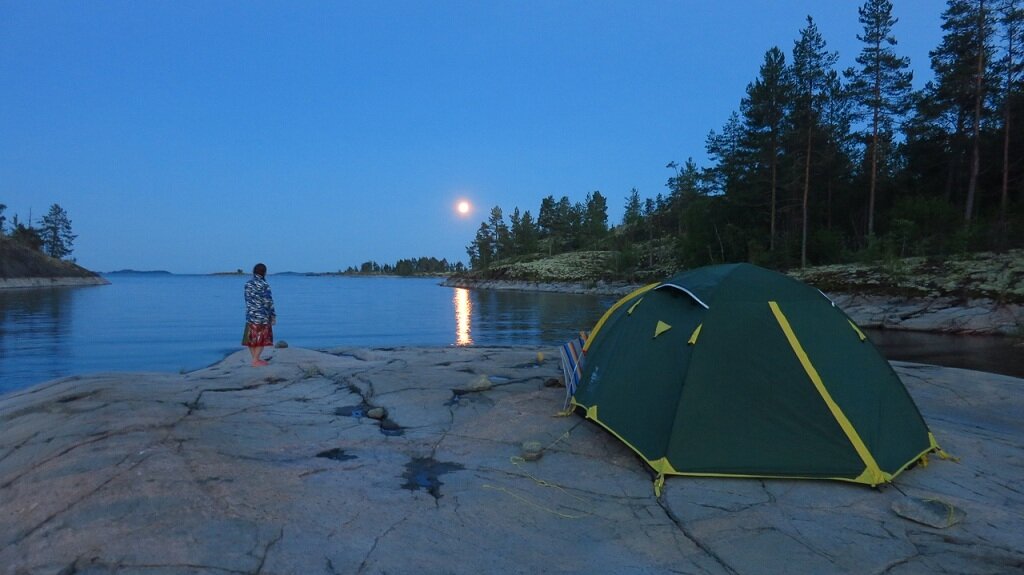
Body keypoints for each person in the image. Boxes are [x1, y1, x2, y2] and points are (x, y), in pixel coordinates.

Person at [242, 262, 276, 366]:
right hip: (262, 316)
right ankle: (255, 360)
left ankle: (255, 359)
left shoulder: (247, 284)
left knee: (251, 338)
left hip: (250, 314)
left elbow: (247, 300)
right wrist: (273, 315)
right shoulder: (264, 285)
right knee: (261, 338)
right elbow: (268, 301)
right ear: (264, 272)